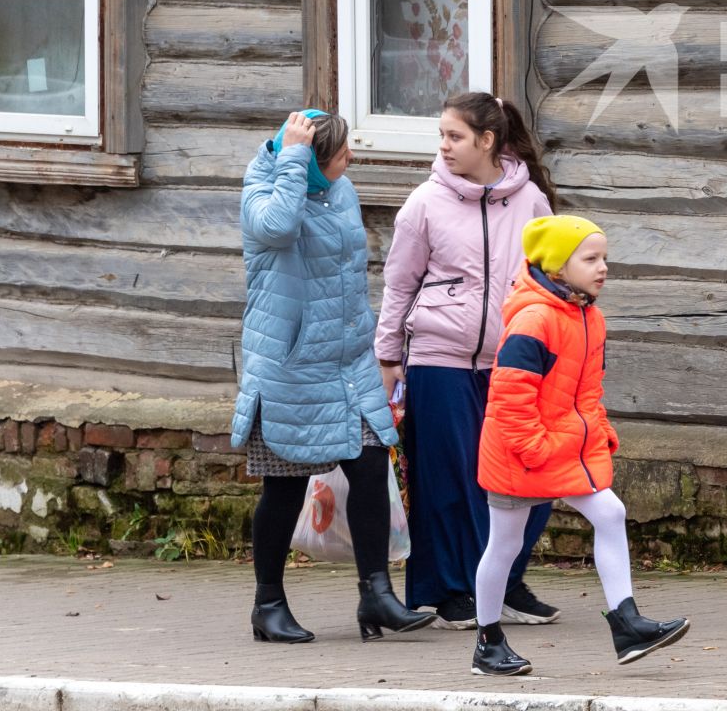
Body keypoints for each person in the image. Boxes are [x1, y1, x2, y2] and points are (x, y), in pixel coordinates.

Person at [234, 109, 435, 644]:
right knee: (286, 489)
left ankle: (377, 595)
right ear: (312, 161)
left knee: (370, 466)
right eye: (342, 152)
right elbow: (278, 228)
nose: (352, 159)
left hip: (348, 363)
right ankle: (268, 604)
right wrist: (294, 159)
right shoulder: (260, 192)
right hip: (290, 370)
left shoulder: (339, 188)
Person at [468, 215, 690, 677]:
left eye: (604, 257)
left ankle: (627, 624)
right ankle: (488, 643)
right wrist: (534, 450)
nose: (602, 267)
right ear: (557, 267)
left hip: (563, 447)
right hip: (520, 451)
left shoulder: (590, 316)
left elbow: (588, 389)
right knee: (505, 544)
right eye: (590, 259)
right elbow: (509, 398)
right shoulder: (534, 320)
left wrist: (599, 429)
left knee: (610, 513)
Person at [373, 92, 559, 629]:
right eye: (442, 136)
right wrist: (388, 355)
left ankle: (505, 579)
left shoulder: (531, 203)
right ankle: (451, 591)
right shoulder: (424, 203)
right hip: (439, 359)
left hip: (515, 362)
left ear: (487, 141)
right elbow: (398, 285)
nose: (444, 146)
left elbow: (549, 281)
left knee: (531, 474)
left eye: (454, 136)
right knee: (450, 480)